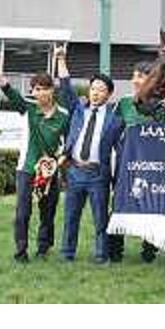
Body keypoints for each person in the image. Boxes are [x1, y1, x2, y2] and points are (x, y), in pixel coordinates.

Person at [0, 54, 69, 263]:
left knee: (47, 212)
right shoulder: (28, 109)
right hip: (26, 169)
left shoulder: (64, 115)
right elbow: (7, 89)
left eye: (44, 88)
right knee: (22, 213)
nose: (40, 93)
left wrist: (59, 161)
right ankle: (20, 251)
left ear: (52, 90)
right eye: (36, 89)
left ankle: (43, 247)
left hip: (50, 171)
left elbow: (68, 144)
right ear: (32, 91)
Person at [55, 47, 124, 264]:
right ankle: (67, 253)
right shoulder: (78, 109)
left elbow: (122, 150)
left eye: (101, 90)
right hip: (74, 170)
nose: (95, 93)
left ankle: (101, 255)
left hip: (98, 174)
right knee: (70, 217)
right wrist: (61, 59)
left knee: (100, 219)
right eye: (93, 88)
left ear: (109, 94)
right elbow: (66, 88)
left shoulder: (115, 121)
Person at [108, 61, 165, 264]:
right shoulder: (123, 103)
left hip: (152, 167)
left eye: (140, 76)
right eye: (134, 76)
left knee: (151, 206)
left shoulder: (161, 105)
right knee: (119, 205)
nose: (135, 80)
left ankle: (149, 252)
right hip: (125, 165)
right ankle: (115, 251)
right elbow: (112, 132)